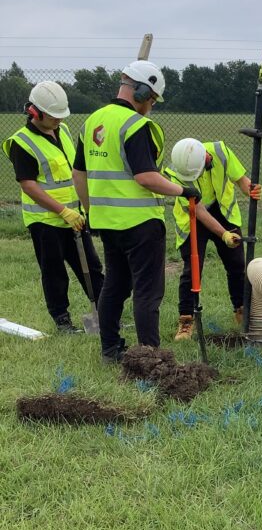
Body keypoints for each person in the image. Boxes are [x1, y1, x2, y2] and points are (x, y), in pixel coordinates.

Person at [72, 60, 200, 362]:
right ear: (141, 92)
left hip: (106, 223)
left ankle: (110, 350)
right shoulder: (136, 126)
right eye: (152, 99)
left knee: (114, 286)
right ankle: (150, 358)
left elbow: (79, 174)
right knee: (147, 292)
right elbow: (146, 177)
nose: (151, 106)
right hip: (141, 224)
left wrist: (92, 211)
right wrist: (184, 190)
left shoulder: (92, 122)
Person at [2, 81, 104, 333]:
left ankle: (105, 312)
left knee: (91, 267)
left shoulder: (63, 130)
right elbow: (28, 185)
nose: (59, 120)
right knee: (54, 272)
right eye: (53, 116)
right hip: (46, 222)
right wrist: (62, 211)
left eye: (61, 115)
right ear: (35, 112)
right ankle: (62, 320)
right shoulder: (21, 143)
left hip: (74, 217)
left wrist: (77, 209)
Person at [168, 138, 262, 340]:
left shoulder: (220, 151)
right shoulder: (179, 172)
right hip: (193, 217)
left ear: (205, 158)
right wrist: (224, 234)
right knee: (192, 269)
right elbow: (199, 211)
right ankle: (186, 320)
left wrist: (250, 189)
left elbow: (240, 179)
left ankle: (242, 310)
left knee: (237, 264)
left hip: (224, 212)